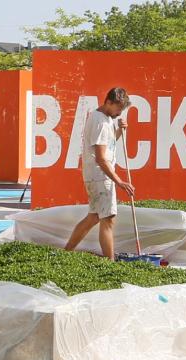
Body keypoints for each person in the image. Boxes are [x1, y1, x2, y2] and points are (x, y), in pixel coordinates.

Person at [63, 87, 136, 260]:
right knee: (108, 218)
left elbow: (107, 145)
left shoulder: (105, 118)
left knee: (94, 216)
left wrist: (119, 131)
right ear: (108, 102)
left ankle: (66, 252)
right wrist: (120, 181)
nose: (120, 112)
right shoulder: (101, 122)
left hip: (96, 175)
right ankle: (109, 263)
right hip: (101, 176)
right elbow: (102, 159)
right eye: (118, 108)